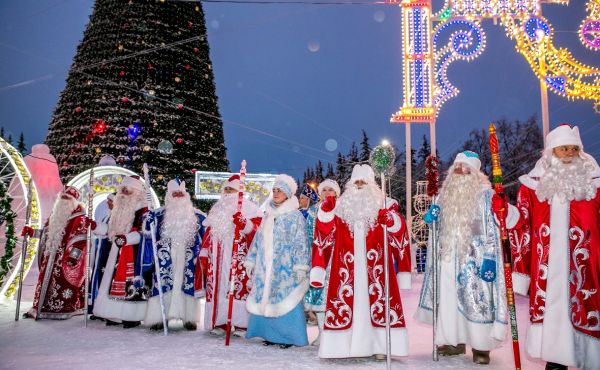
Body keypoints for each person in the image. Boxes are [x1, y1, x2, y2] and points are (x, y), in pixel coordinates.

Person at [505, 124, 600, 370]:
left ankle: (588, 358)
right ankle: (556, 362)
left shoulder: (595, 185)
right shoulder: (533, 188)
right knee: (553, 313)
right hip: (548, 269)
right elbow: (521, 223)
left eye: (572, 148)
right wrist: (506, 212)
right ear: (551, 152)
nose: (568, 153)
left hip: (586, 268)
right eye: (562, 149)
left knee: (586, 312)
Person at [416, 151, 508, 365]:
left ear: (475, 173)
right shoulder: (443, 195)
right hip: (447, 257)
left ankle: (480, 346)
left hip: (474, 259)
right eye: (457, 167)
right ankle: (452, 341)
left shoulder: (486, 196)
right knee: (448, 301)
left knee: (476, 301)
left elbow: (494, 229)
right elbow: (436, 227)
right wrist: (433, 218)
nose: (460, 171)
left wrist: (491, 257)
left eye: (465, 168)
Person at [311, 164, 409, 360]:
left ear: (372, 184)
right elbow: (324, 233)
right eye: (356, 182)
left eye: (364, 182)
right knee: (349, 306)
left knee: (377, 304)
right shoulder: (340, 207)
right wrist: (326, 213)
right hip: (346, 268)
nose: (359, 185)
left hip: (376, 268)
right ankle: (342, 348)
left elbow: (400, 234)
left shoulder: (385, 205)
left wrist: (390, 221)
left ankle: (381, 346)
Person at [244, 174, 310, 348]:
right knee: (266, 298)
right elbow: (257, 240)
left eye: (279, 190)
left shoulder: (294, 216)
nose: (275, 193)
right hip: (265, 267)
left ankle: (288, 337)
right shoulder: (268, 215)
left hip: (285, 267)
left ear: (288, 194)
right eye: (274, 190)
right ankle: (269, 334)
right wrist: (251, 260)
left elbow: (301, 242)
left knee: (285, 299)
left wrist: (300, 267)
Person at [196, 175, 262, 336]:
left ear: (238, 191)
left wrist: (245, 224)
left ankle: (241, 324)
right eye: (225, 189)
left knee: (239, 289)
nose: (227, 193)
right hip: (217, 259)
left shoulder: (250, 209)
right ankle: (221, 322)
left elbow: (258, 233)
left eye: (230, 189)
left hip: (239, 257)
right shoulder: (217, 209)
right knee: (218, 289)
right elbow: (209, 233)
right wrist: (204, 253)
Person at [140, 179, 206, 331]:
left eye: (180, 193)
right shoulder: (158, 215)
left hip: (188, 258)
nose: (177, 196)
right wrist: (147, 221)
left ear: (186, 196)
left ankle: (189, 318)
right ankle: (159, 317)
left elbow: (205, 238)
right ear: (168, 196)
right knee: (162, 285)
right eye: (174, 193)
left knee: (187, 286)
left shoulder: (198, 216)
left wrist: (199, 255)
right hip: (165, 259)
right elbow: (148, 234)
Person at [23, 186, 92, 319]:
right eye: (62, 197)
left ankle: (63, 307)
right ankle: (43, 306)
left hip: (65, 260)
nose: (63, 201)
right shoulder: (55, 215)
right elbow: (46, 233)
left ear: (74, 201)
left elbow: (81, 239)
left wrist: (73, 257)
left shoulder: (80, 217)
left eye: (67, 198)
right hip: (50, 258)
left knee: (62, 284)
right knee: (46, 284)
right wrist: (32, 232)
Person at [93, 175, 149, 328]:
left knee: (131, 288)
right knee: (112, 284)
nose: (124, 194)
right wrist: (95, 226)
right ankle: (114, 314)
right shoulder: (117, 209)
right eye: (122, 190)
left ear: (137, 192)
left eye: (128, 191)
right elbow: (110, 231)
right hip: (114, 253)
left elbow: (144, 234)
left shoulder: (143, 211)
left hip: (133, 254)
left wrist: (127, 238)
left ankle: (131, 317)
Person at [303, 179, 340, 345]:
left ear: (336, 193)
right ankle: (322, 332)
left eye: (330, 190)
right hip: (317, 258)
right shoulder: (312, 211)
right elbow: (307, 234)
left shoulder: (342, 210)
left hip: (337, 258)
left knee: (336, 295)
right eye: (323, 190)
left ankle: (336, 332)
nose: (327, 193)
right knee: (318, 297)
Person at [89, 193, 115, 317]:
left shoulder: (116, 217)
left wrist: (96, 226)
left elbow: (109, 230)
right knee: (98, 277)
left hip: (109, 252)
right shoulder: (106, 216)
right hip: (100, 251)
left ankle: (106, 309)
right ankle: (96, 307)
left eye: (110, 201)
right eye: (107, 200)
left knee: (106, 280)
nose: (107, 203)